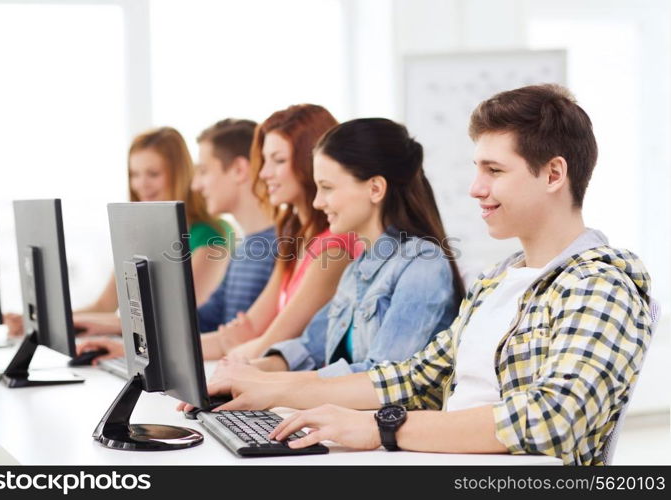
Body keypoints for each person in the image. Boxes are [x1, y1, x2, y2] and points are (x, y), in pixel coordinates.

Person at [203, 85, 653, 466]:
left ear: (554, 173)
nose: (475, 188)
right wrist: (268, 388)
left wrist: (381, 428)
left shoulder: (599, 284)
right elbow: (414, 377)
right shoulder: (497, 281)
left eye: (494, 170)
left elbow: (553, 418)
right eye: (477, 169)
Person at [209, 118, 464, 380]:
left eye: (327, 188)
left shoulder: (423, 265)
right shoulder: (358, 269)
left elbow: (381, 379)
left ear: (375, 189)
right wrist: (247, 371)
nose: (318, 202)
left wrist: (268, 383)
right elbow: (309, 348)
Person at [77, 119, 277, 361]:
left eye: (203, 171)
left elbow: (243, 339)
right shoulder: (246, 248)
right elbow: (203, 321)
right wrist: (127, 346)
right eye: (135, 174)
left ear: (238, 170)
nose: (196, 184)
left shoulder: (275, 248)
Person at [5, 126, 232, 336]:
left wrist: (52, 324)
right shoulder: (141, 235)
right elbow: (105, 305)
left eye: (153, 174)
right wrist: (39, 321)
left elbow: (178, 318)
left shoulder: (211, 235)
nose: (141, 184)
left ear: (180, 174)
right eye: (134, 174)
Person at [199, 104, 358, 361]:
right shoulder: (293, 238)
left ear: (313, 162)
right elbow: (249, 331)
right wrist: (142, 353)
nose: (263, 173)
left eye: (279, 160)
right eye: (265, 160)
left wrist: (237, 347)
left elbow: (271, 345)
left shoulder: (334, 248)